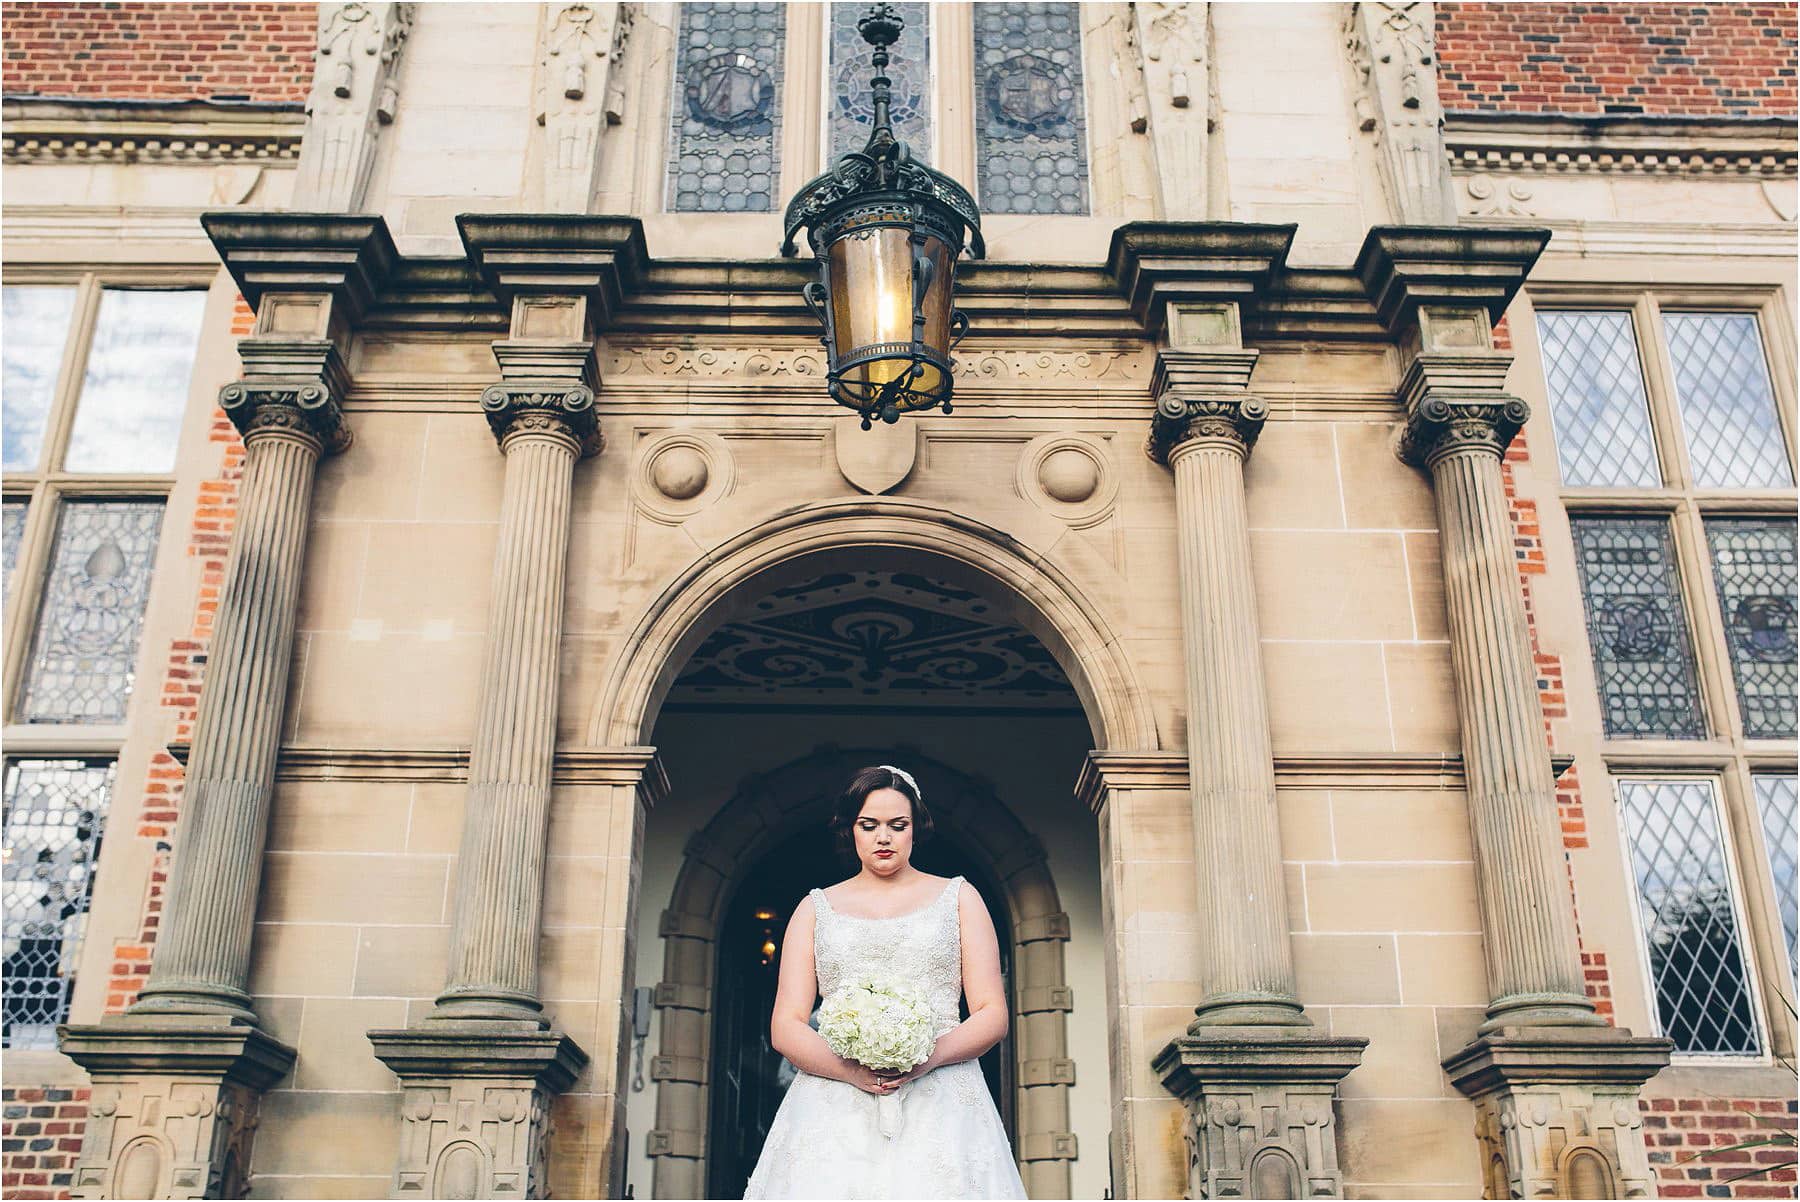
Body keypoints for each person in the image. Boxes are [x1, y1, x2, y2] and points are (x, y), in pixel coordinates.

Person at [743, 765, 1027, 1200]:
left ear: (917, 828)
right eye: (869, 825)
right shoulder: (815, 909)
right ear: (849, 830)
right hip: (833, 1102)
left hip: (942, 1096)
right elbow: (786, 1024)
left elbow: (991, 1014)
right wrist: (851, 1073)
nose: (884, 837)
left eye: (898, 825)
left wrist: (927, 1059)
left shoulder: (960, 898)